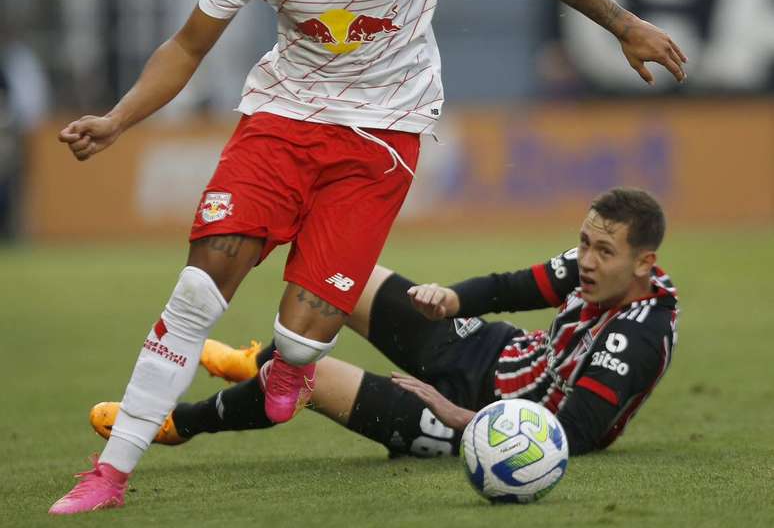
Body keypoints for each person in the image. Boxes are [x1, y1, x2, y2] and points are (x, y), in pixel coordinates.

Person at [50, 0, 686, 514]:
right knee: (197, 292)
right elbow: (190, 44)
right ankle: (110, 470)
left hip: (384, 135)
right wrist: (118, 118)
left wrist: (622, 22)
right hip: (281, 120)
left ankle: (288, 369)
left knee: (299, 337)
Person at [90, 187, 678, 461]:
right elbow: (511, 288)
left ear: (643, 263)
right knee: (346, 278)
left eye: (603, 251)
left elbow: (568, 436)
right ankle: (258, 363)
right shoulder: (590, 267)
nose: (587, 260)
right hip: (495, 357)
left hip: (489, 426)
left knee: (309, 379)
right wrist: (451, 299)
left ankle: (180, 423)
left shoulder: (637, 336)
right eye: (584, 243)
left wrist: (462, 418)